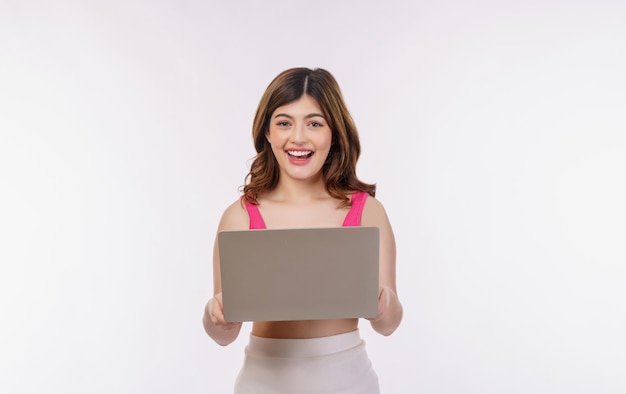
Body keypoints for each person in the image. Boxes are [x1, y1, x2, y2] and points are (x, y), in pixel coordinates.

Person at [202, 67, 403, 393]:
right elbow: (223, 334)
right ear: (267, 132)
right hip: (262, 383)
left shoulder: (367, 212)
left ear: (334, 133)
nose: (298, 137)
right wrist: (216, 316)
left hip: (349, 383)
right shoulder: (239, 217)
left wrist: (382, 303)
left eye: (314, 123)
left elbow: (390, 323)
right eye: (284, 122)